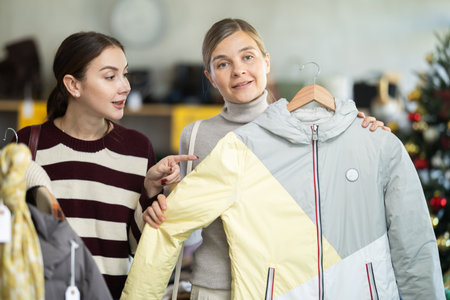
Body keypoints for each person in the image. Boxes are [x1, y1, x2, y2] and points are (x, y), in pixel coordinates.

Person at [143, 18, 390, 299]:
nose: (239, 71)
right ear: (210, 77)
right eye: (223, 64)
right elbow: (181, 223)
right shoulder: (197, 134)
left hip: (282, 287)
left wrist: (362, 134)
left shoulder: (305, 129)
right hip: (214, 288)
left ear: (267, 62)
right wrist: (158, 196)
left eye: (248, 57)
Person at [16, 31, 196, 298]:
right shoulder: (26, 146)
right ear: (73, 85)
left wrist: (150, 191)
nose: (125, 86)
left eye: (125, 74)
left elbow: (135, 247)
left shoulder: (137, 148)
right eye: (110, 77)